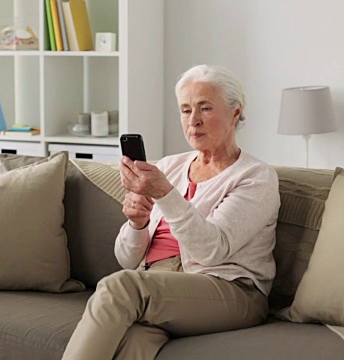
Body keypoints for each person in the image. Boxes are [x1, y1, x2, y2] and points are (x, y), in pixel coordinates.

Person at [62, 64, 281, 360]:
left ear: (235, 112)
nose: (194, 121)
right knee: (133, 343)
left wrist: (165, 194)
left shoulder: (255, 177)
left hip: (231, 291)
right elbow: (127, 259)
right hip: (162, 283)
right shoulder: (169, 166)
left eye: (205, 108)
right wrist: (137, 224)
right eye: (186, 110)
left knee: (120, 286)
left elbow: (211, 251)